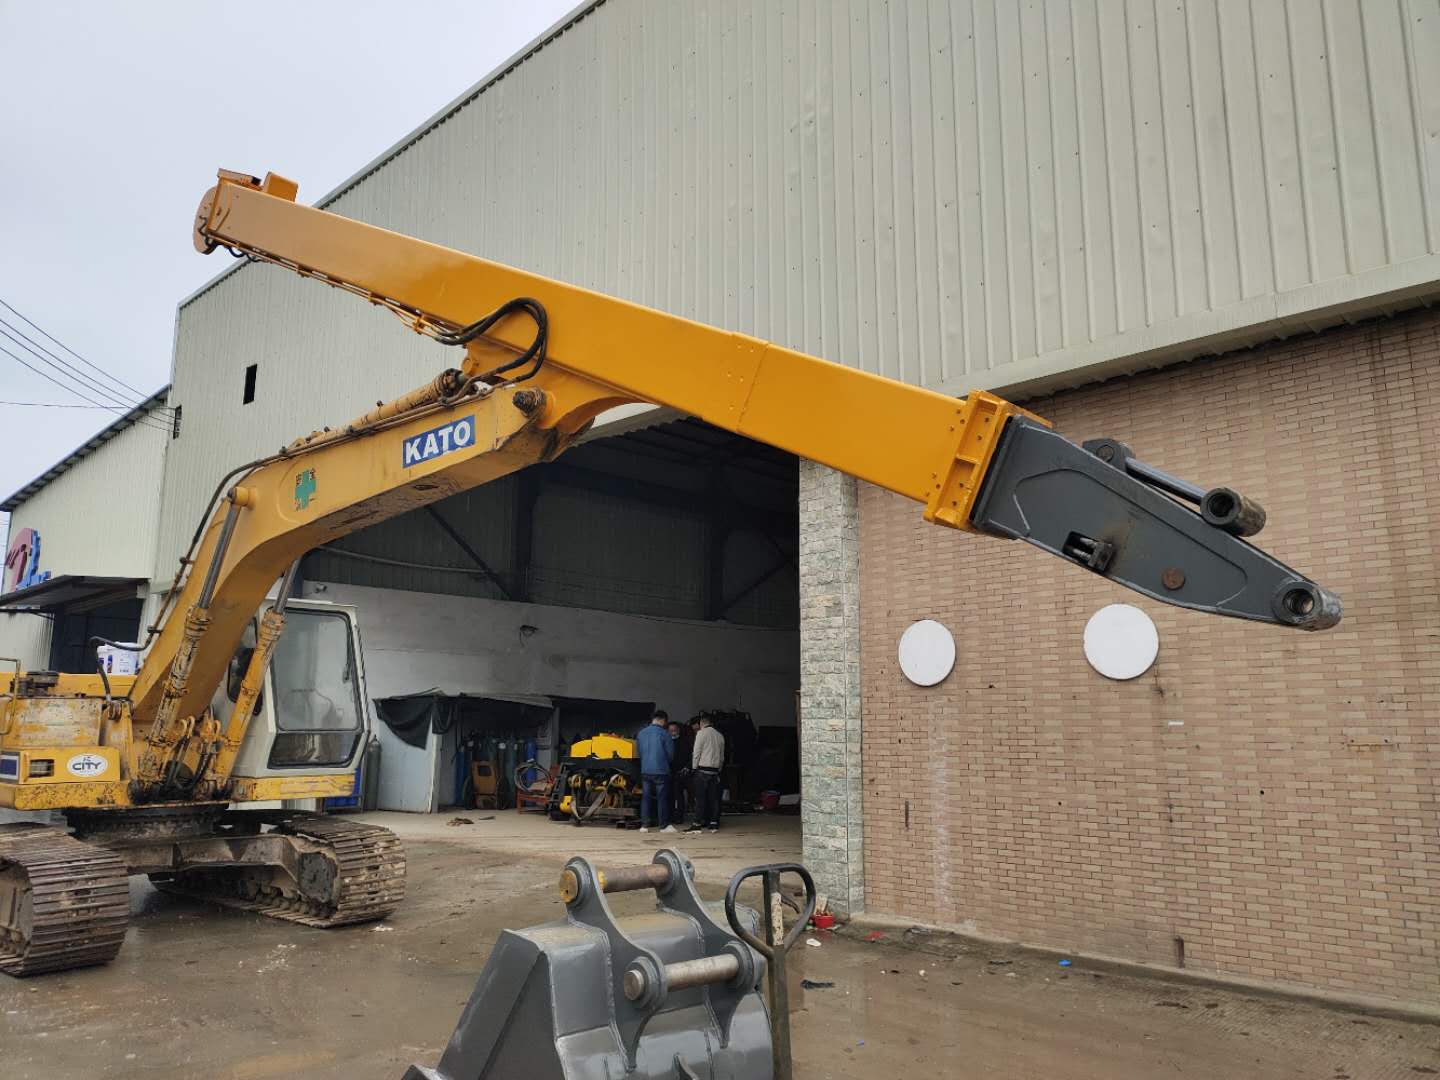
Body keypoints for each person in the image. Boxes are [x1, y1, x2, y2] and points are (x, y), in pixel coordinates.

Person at [636, 709, 675, 833]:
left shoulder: (641, 733)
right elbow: (670, 755)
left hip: (645, 770)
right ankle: (663, 826)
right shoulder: (665, 734)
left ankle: (644, 825)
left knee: (646, 797)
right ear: (663, 720)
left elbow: (639, 753)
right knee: (662, 797)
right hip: (661, 770)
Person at [687, 713, 725, 833]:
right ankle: (713, 823)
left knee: (700, 798)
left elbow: (696, 752)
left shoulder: (701, 733)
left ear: (702, 723)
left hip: (702, 770)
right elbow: (722, 757)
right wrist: (719, 770)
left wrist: (693, 768)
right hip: (715, 771)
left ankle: (697, 823)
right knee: (713, 799)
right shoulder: (720, 736)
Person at [668, 720, 693, 825]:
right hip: (671, 772)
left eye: (675, 730)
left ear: (678, 730)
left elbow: (691, 756)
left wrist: (687, 767)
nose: (673, 732)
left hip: (684, 772)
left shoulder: (686, 741)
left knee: (681, 796)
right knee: (672, 795)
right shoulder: (667, 742)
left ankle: (680, 816)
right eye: (671, 730)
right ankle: (672, 816)